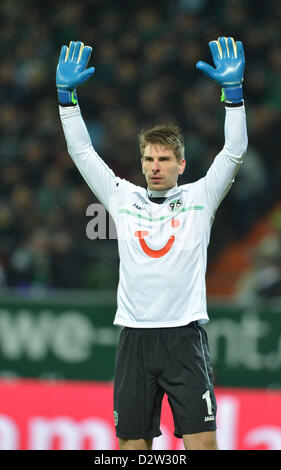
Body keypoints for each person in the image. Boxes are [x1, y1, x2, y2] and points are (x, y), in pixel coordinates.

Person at [56, 37, 247, 450]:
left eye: (163, 159)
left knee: (202, 446)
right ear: (140, 161)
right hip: (134, 339)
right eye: (148, 159)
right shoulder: (123, 197)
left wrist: (234, 97)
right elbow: (81, 150)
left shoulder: (200, 197)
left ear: (182, 164)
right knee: (131, 450)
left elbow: (234, 151)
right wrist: (65, 99)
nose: (154, 167)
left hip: (184, 338)